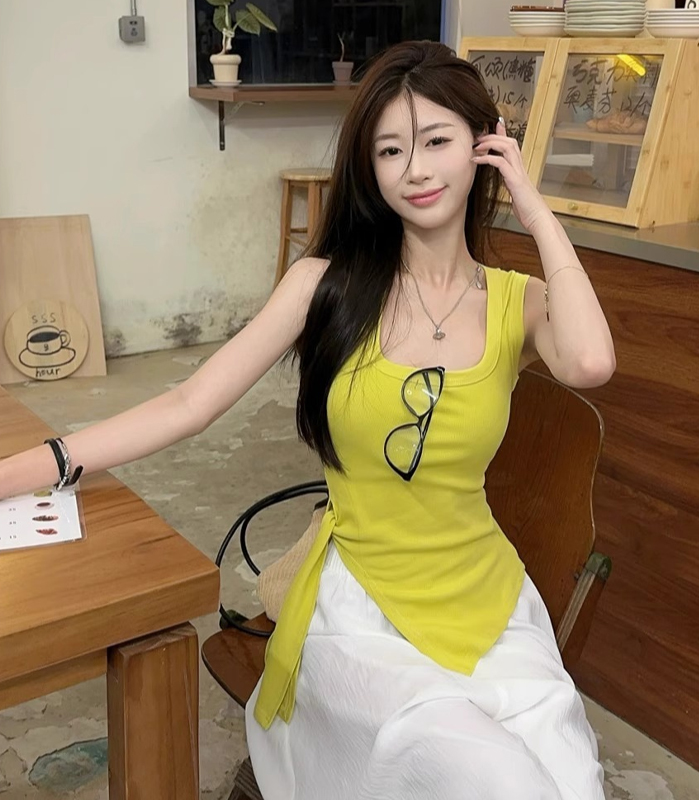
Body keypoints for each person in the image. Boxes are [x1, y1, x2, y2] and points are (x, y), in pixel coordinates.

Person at [0, 40, 615, 800]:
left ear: (483, 148)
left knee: (572, 781)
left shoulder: (517, 303)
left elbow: (590, 362)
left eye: (437, 141)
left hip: (487, 599)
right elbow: (190, 403)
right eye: (390, 150)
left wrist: (533, 206)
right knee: (495, 776)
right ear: (370, 168)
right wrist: (31, 467)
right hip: (363, 609)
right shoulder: (325, 286)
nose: (415, 170)